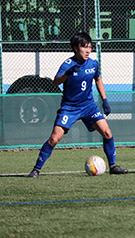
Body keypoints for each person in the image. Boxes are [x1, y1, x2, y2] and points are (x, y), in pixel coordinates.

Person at [28, 32, 128, 177]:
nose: (88, 51)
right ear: (76, 48)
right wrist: (67, 74)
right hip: (70, 108)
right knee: (54, 138)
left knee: (107, 133)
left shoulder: (93, 64)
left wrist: (104, 100)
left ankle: (113, 166)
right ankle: (36, 169)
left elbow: (98, 79)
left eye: (90, 47)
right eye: (84, 47)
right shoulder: (68, 64)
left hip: (88, 106)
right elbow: (55, 82)